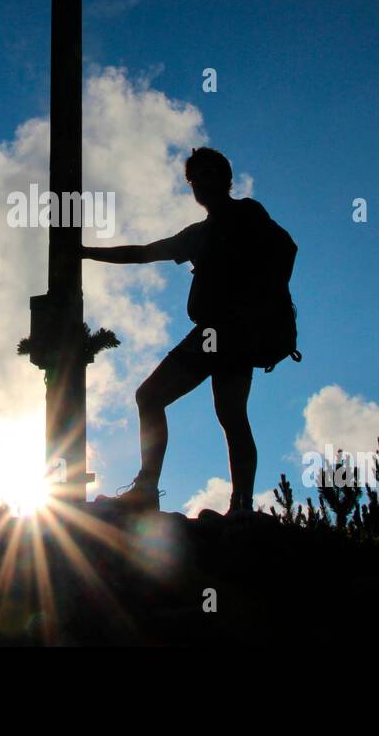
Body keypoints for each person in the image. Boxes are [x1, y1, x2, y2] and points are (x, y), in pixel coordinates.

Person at [81, 147, 298, 516]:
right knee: (211, 410)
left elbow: (287, 249)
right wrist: (86, 252)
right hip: (218, 333)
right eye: (194, 179)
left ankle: (229, 503)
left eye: (207, 175)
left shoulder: (247, 212)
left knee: (186, 405)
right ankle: (222, 502)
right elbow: (144, 252)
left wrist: (259, 304)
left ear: (225, 178)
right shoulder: (198, 234)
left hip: (231, 332)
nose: (200, 184)